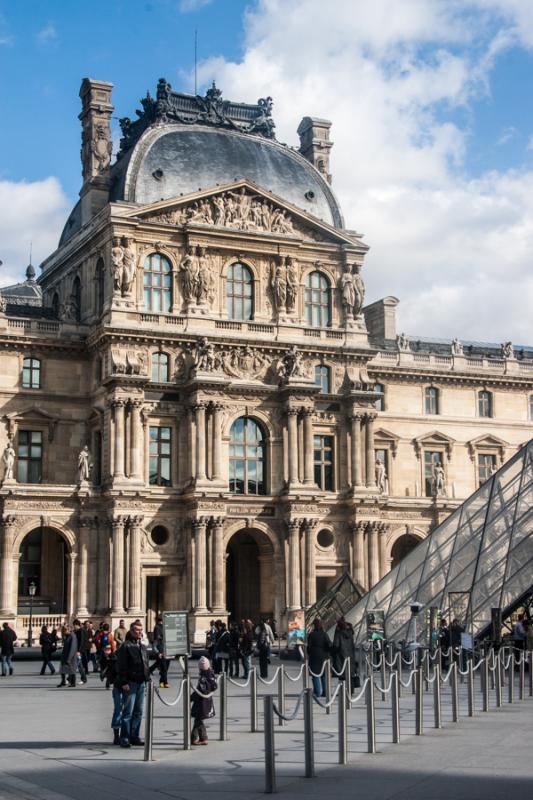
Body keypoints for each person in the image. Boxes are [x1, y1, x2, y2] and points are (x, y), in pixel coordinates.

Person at [116, 621, 150, 748]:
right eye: (137, 630)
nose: (139, 632)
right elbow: (121, 666)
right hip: (130, 682)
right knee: (128, 711)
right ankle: (124, 737)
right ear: (131, 631)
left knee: (139, 711)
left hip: (141, 682)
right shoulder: (126, 646)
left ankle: (134, 735)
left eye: (141, 630)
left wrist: (147, 677)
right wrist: (123, 681)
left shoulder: (141, 646)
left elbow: (145, 663)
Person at [191, 656, 217, 745]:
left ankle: (202, 738)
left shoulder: (203, 678)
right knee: (198, 720)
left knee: (198, 720)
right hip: (206, 701)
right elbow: (214, 686)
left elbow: (200, 691)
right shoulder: (211, 674)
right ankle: (195, 738)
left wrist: (191, 698)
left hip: (201, 702)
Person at [100, 645, 124, 744]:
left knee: (120, 710)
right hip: (119, 686)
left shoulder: (115, 657)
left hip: (121, 686)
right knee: (119, 710)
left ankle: (122, 735)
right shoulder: (115, 658)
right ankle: (117, 735)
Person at [307, 619, 331, 697]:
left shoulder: (311, 634)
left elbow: (309, 648)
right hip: (324, 655)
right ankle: (325, 691)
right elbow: (329, 644)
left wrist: (309, 653)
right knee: (323, 675)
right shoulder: (324, 634)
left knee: (315, 674)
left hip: (314, 656)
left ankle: (317, 692)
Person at [332, 617, 357, 689]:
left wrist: (332, 652)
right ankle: (351, 689)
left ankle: (342, 691)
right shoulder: (350, 633)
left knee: (342, 675)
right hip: (350, 655)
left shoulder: (338, 633)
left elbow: (336, 645)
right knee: (350, 673)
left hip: (341, 656)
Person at [150, 617, 170, 688]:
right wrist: (158, 653)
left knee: (165, 668)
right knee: (164, 668)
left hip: (167, 652)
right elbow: (155, 644)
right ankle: (165, 682)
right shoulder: (158, 629)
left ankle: (161, 681)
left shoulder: (165, 628)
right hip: (161, 652)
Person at [72, 619, 88, 684]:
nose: (74, 627)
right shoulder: (77, 631)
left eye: (74, 625)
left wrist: (78, 651)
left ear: (76, 625)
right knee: (78, 665)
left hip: (79, 651)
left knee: (78, 665)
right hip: (78, 650)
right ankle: (83, 678)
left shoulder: (81, 631)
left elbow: (81, 641)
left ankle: (83, 678)